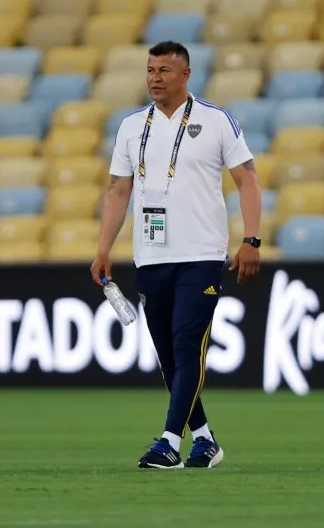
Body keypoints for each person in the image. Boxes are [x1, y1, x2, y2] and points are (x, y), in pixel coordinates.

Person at [91, 41, 262, 470]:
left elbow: (248, 180)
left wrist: (252, 240)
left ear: (185, 75)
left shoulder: (215, 120)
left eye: (164, 70)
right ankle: (204, 439)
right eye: (150, 70)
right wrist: (103, 247)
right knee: (168, 354)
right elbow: (117, 190)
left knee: (187, 345)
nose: (155, 77)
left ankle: (168, 442)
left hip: (202, 254)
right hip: (151, 255)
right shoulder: (131, 126)